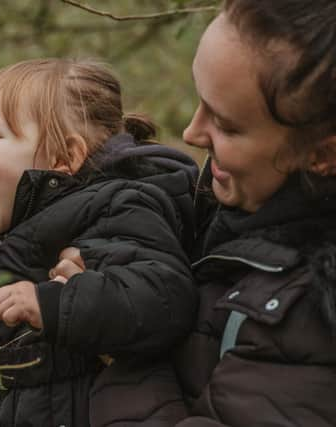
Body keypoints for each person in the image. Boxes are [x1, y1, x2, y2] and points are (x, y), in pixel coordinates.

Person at [0, 58, 199, 427]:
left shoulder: (118, 206)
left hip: (81, 409)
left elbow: (162, 297)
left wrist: (53, 302)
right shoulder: (13, 230)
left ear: (64, 158)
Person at [54, 2, 336, 426]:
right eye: (199, 101)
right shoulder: (222, 204)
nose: (190, 132)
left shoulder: (310, 320)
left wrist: (120, 334)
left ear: (322, 154)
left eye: (226, 125)